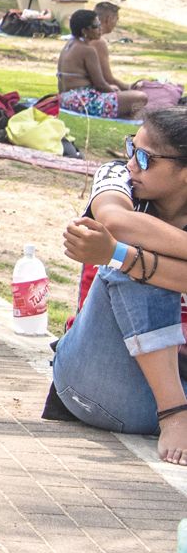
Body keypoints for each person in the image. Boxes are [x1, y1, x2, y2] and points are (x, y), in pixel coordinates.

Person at [56, 108, 187, 464]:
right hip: (101, 378)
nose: (131, 163)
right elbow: (115, 222)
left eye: (144, 157)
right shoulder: (118, 177)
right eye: (131, 147)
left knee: (125, 256)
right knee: (123, 256)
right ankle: (173, 412)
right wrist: (121, 256)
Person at [56, 9, 148, 119]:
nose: (100, 28)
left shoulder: (69, 45)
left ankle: (128, 118)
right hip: (82, 102)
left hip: (65, 99)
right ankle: (132, 120)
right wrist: (114, 92)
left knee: (126, 99)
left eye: (99, 24)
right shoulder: (87, 50)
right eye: (95, 26)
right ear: (84, 30)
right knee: (141, 97)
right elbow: (100, 84)